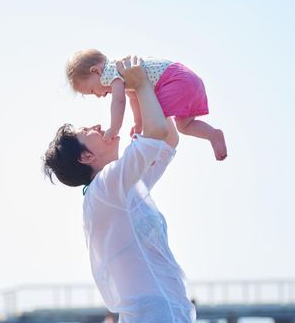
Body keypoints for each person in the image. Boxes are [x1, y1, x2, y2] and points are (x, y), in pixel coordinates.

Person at [43, 56, 196, 322]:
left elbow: (168, 139)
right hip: (153, 314)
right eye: (88, 131)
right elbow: (158, 131)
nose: (98, 125)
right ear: (85, 157)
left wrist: (138, 89)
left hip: (169, 310)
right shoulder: (105, 187)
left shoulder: (119, 187)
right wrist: (140, 85)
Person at [66, 48, 227, 160]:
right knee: (184, 126)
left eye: (93, 90)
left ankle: (153, 152)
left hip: (174, 81)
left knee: (155, 115)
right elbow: (134, 97)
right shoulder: (123, 71)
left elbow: (119, 101)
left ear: (95, 71)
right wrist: (138, 123)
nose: (98, 96)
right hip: (189, 80)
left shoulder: (109, 72)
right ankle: (212, 134)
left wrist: (114, 128)